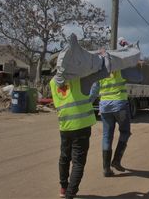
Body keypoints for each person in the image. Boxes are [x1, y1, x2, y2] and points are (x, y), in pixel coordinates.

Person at [49, 51, 110, 199]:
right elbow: (105, 71)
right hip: (81, 126)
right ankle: (70, 194)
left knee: (64, 157)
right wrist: (104, 56)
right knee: (78, 162)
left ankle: (63, 189)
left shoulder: (52, 82)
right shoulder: (79, 79)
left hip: (65, 125)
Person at [90, 66, 142, 177]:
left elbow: (93, 91)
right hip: (120, 107)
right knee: (125, 132)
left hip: (105, 108)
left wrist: (86, 104)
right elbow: (138, 78)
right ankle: (116, 160)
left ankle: (106, 168)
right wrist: (137, 66)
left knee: (107, 136)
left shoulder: (100, 72)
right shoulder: (121, 69)